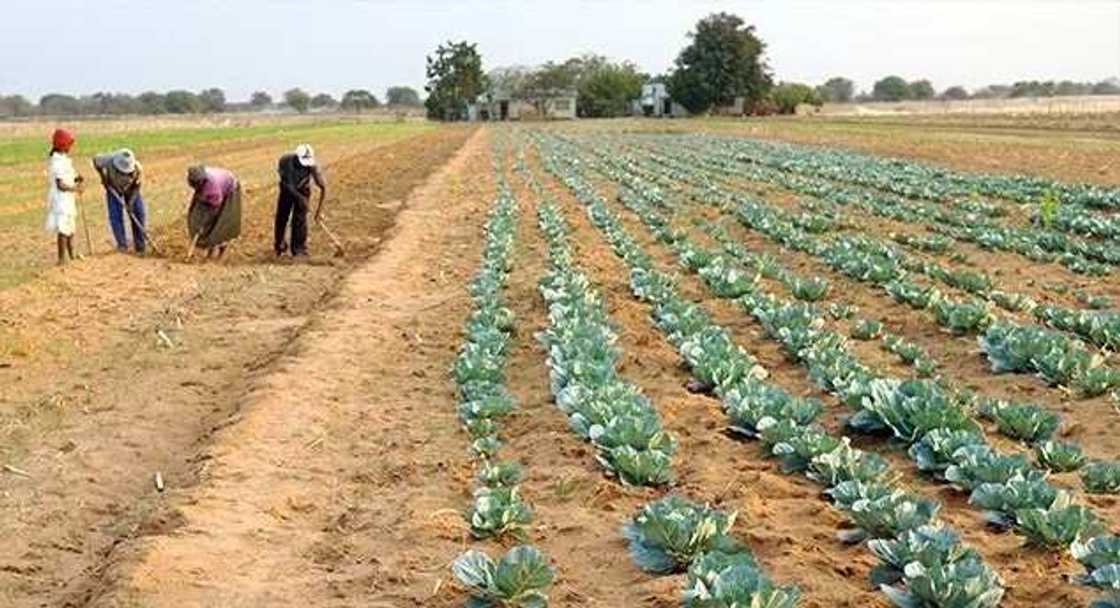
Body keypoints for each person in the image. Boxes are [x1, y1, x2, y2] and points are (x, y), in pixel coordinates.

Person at [274, 143, 326, 257]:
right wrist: (301, 199)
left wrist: (319, 212)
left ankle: (299, 249)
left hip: (303, 189)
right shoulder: (286, 161)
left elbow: (323, 187)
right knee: (282, 216)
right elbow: (288, 184)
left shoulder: (313, 166)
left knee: (300, 219)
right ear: (297, 158)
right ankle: (280, 246)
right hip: (287, 188)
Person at [92, 148, 146, 253]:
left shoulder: (138, 169)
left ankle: (140, 246)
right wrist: (103, 177)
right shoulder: (106, 160)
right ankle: (122, 245)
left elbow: (137, 187)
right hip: (113, 187)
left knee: (139, 214)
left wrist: (130, 203)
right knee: (115, 216)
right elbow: (95, 161)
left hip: (131, 190)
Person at [44, 128, 83, 265]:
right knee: (63, 228)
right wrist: (74, 188)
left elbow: (69, 175)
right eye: (68, 144)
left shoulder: (64, 159)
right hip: (61, 199)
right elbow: (60, 185)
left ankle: (71, 255)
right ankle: (61, 259)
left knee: (70, 226)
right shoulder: (56, 162)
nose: (70, 147)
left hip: (68, 197)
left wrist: (77, 178)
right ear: (62, 145)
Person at [186, 165, 241, 259]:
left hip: (229, 190)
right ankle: (210, 248)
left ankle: (220, 251)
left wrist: (204, 223)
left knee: (220, 224)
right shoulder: (199, 182)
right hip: (214, 190)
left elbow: (214, 210)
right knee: (197, 218)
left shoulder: (213, 189)